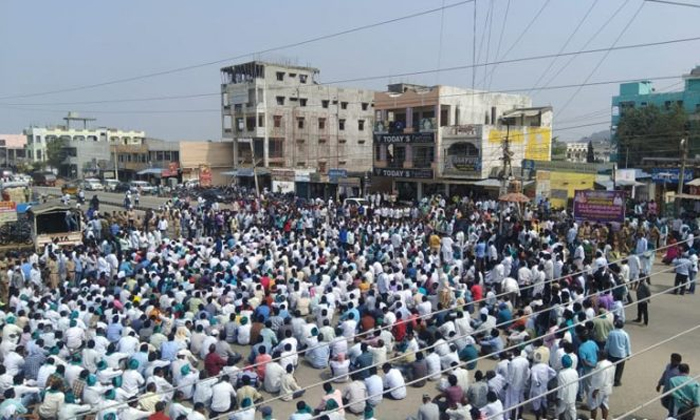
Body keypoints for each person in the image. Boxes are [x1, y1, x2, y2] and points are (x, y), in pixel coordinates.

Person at [605, 319, 632, 387]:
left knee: (611, 367)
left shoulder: (611, 333)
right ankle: (617, 381)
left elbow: (608, 344)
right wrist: (629, 354)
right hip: (621, 354)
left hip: (612, 353)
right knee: (619, 369)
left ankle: (609, 380)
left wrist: (606, 350)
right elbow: (627, 345)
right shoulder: (625, 334)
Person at [589, 351, 614, 420]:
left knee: (593, 406)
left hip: (600, 390)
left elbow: (601, 379)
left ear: (600, 356)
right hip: (607, 387)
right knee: (605, 405)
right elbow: (612, 377)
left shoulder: (600, 365)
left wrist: (596, 390)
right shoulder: (610, 363)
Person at [556, 355, 579, 420]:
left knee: (561, 411)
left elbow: (561, 387)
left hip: (564, 397)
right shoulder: (575, 371)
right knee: (572, 410)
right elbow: (577, 384)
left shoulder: (561, 373)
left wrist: (559, 397)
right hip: (572, 394)